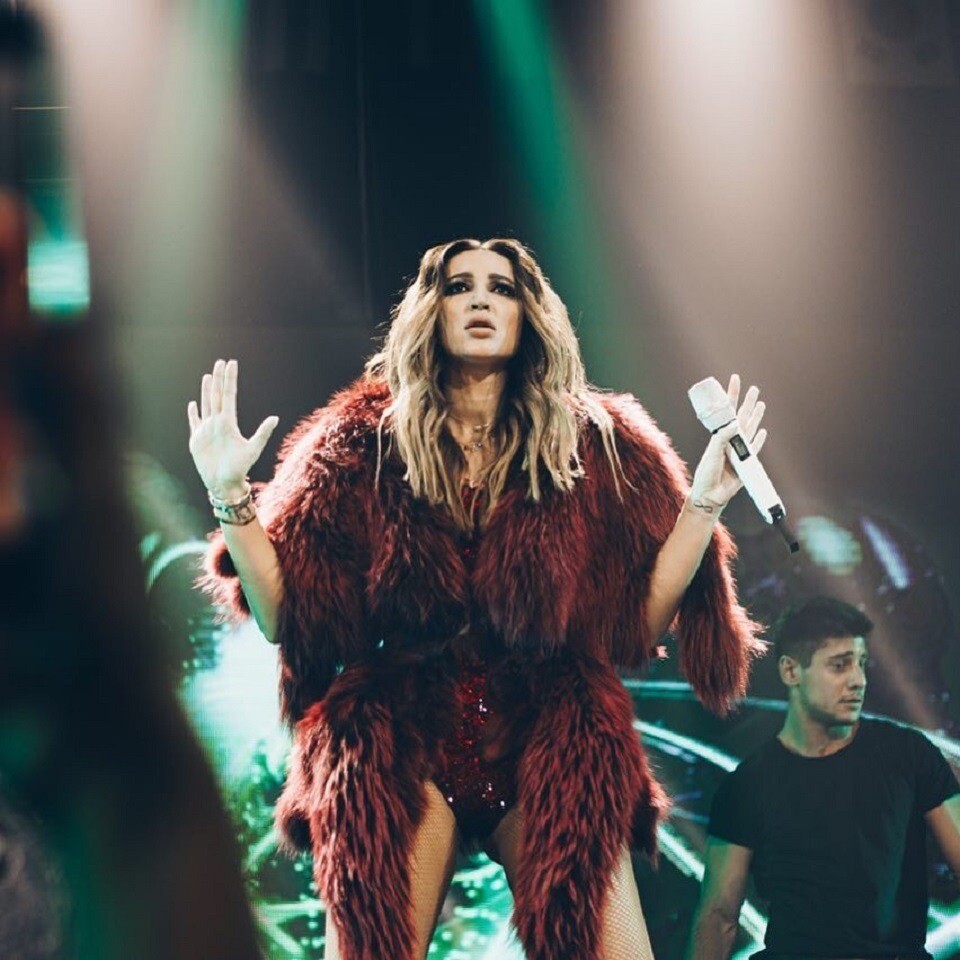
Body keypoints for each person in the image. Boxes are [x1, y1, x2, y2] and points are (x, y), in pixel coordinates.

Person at [193, 237, 767, 960]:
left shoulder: (596, 443)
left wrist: (704, 503)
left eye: (501, 287)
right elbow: (285, 618)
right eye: (459, 286)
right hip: (401, 742)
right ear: (431, 311)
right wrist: (228, 495)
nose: (480, 301)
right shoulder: (359, 440)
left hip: (547, 739)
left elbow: (637, 625)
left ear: (529, 313)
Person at [685, 596, 960, 960]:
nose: (858, 680)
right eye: (839, 665)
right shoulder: (746, 787)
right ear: (791, 671)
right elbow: (718, 916)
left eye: (861, 663)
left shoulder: (909, 753)